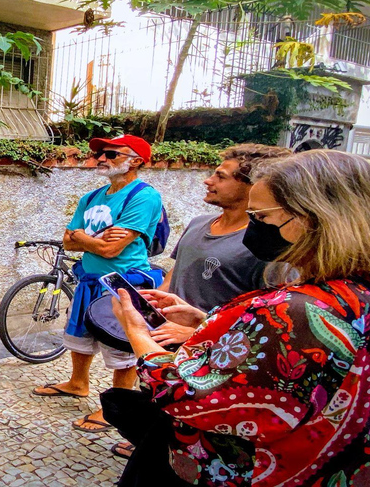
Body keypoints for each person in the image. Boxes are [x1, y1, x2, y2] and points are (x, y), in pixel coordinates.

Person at [105, 149, 370, 486]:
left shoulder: (291, 309)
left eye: (260, 216)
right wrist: (206, 322)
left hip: (244, 471)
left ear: (310, 218)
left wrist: (135, 329)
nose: (253, 225)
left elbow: (186, 393)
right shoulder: (352, 294)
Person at [110, 143, 293, 459]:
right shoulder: (197, 223)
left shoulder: (267, 243)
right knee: (159, 409)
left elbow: (267, 322)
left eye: (220, 176)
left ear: (253, 186)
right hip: (166, 343)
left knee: (192, 428)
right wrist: (150, 308)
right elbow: (174, 275)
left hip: (215, 358)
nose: (208, 180)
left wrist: (200, 333)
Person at [32, 134, 163, 433]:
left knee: (122, 346)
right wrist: (93, 239)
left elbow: (110, 250)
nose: (102, 159)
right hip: (88, 279)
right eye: (101, 154)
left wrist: (85, 239)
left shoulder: (143, 196)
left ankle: (117, 408)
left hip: (122, 283)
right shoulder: (89, 198)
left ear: (136, 161)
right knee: (79, 336)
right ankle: (78, 384)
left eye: (112, 154)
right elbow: (69, 240)